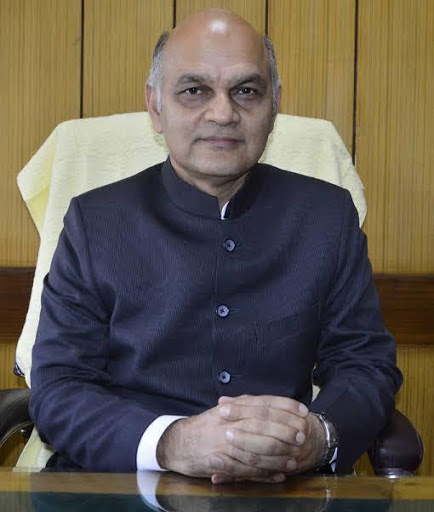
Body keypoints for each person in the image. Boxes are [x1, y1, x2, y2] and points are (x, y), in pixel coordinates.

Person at [30, 9, 402, 484]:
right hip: (124, 481)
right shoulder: (95, 220)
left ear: (274, 105)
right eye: (194, 90)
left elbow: (365, 363)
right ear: (155, 107)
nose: (223, 113)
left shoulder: (327, 216)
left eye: (246, 91)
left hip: (280, 487)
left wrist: (318, 436)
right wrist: (172, 443)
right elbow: (59, 388)